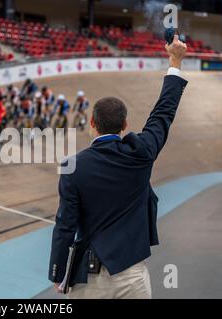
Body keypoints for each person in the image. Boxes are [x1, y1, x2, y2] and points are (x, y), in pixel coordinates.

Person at [48, 35, 188, 299]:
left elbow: (65, 224)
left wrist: (58, 272)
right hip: (131, 277)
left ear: (92, 123)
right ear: (125, 126)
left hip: (87, 279)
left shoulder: (72, 167)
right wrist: (175, 60)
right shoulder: (141, 152)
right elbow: (163, 113)